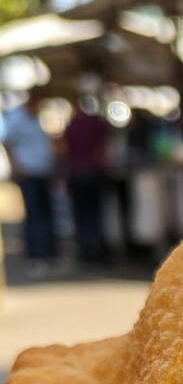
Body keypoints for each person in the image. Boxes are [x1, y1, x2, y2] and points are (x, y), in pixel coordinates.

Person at [2, 88, 57, 273]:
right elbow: (8, 142)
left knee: (47, 213)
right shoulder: (17, 118)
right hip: (28, 172)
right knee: (34, 214)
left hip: (43, 171)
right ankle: (36, 254)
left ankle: (49, 253)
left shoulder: (40, 118)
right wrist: (16, 166)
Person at [61, 100, 110, 263]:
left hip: (76, 174)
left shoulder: (71, 126)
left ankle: (85, 248)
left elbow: (63, 149)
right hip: (93, 173)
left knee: (80, 214)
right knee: (94, 213)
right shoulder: (96, 124)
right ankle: (96, 248)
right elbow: (103, 150)